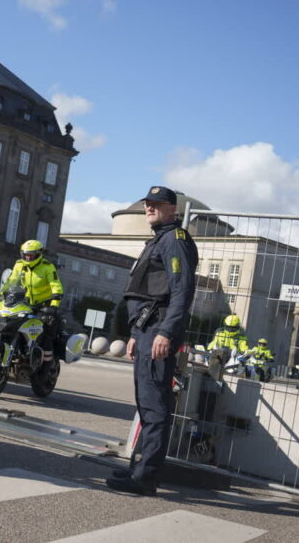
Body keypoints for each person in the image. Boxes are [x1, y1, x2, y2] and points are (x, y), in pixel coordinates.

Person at [107, 186, 197, 496]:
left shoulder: (175, 241)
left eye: (157, 204)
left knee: (156, 406)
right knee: (147, 405)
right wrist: (135, 335)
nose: (149, 208)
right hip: (146, 330)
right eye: (147, 203)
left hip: (158, 330)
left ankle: (146, 477)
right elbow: (148, 291)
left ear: (173, 209)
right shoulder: (159, 239)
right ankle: (139, 468)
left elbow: (182, 290)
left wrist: (165, 332)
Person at [9, 239, 64, 365]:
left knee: (46, 334)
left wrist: (54, 306)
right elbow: (11, 282)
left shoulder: (47, 267)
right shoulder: (19, 265)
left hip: (45, 305)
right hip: (25, 303)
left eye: (31, 255)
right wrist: (2, 296)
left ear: (39, 254)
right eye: (26, 254)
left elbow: (56, 285)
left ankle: (46, 366)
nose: (28, 257)